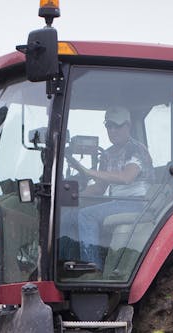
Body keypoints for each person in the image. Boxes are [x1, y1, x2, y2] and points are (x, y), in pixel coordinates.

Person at [66, 106, 153, 268]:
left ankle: (91, 267)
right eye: (109, 126)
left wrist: (88, 171)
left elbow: (127, 178)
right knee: (71, 212)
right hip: (117, 203)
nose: (113, 130)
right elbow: (99, 188)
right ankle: (64, 262)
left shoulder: (136, 149)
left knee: (87, 216)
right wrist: (75, 196)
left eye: (117, 126)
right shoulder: (107, 154)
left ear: (128, 126)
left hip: (137, 203)